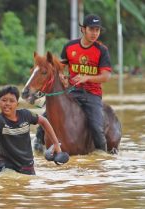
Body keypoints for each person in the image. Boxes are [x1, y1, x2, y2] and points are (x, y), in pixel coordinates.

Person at [35, 14, 111, 152]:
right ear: (83, 29)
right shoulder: (70, 46)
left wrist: (87, 77)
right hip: (71, 91)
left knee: (96, 125)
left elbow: (105, 76)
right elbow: (59, 67)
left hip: (92, 94)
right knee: (46, 115)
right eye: (91, 29)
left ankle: (102, 153)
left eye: (97, 30)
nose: (95, 33)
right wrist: (62, 76)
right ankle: (38, 143)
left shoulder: (102, 50)